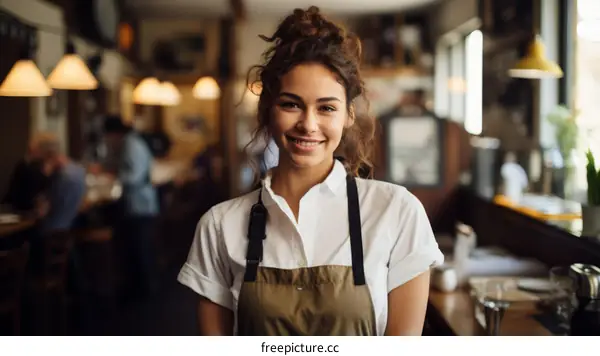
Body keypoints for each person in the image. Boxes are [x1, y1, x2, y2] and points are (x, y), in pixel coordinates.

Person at [178, 6, 444, 336]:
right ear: (267, 110)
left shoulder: (397, 212)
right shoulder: (219, 226)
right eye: (291, 104)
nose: (308, 124)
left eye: (326, 108)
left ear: (348, 115)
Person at [104, 116, 160, 296]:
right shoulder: (131, 143)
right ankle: (142, 288)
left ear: (114, 133)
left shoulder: (131, 145)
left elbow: (134, 176)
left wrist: (114, 178)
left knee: (140, 248)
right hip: (140, 203)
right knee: (138, 247)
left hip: (140, 204)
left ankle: (144, 291)